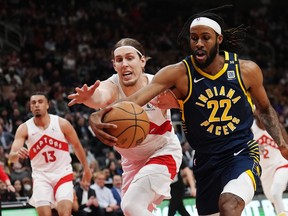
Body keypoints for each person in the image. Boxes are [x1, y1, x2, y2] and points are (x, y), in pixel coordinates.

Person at [87, 6, 288, 216]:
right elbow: (135, 100)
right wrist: (98, 113)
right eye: (194, 38)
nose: (199, 43)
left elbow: (265, 109)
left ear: (219, 40)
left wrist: (283, 145)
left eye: (205, 38)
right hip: (205, 160)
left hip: (241, 153)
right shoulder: (178, 74)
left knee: (229, 205)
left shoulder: (245, 70)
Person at [67, 38, 182, 215]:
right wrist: (89, 98)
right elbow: (100, 95)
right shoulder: (113, 85)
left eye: (130, 58)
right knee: (131, 211)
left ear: (142, 61)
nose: (124, 64)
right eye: (119, 60)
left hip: (163, 152)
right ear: (114, 65)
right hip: (131, 162)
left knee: (131, 206)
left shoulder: (157, 85)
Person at [8, 92, 92, 216]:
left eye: (40, 102)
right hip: (41, 176)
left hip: (62, 173)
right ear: (30, 107)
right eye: (33, 103)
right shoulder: (24, 128)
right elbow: (11, 157)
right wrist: (17, 154)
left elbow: (77, 146)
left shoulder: (62, 123)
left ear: (47, 105)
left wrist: (86, 169)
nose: (37, 105)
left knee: (65, 213)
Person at [252, 110, 288, 215]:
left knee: (275, 192)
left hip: (281, 164)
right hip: (265, 171)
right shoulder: (250, 130)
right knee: (273, 201)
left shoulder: (276, 127)